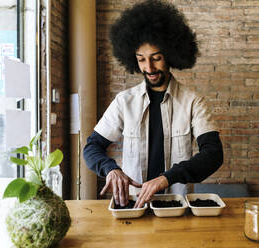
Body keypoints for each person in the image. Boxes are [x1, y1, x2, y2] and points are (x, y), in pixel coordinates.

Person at [83, 0, 223, 209]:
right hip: (133, 206)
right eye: (141, 59)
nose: (149, 67)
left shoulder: (193, 102)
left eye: (156, 58)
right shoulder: (124, 102)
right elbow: (92, 147)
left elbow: (213, 154)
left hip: (176, 206)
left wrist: (167, 178)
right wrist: (110, 169)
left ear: (171, 55)